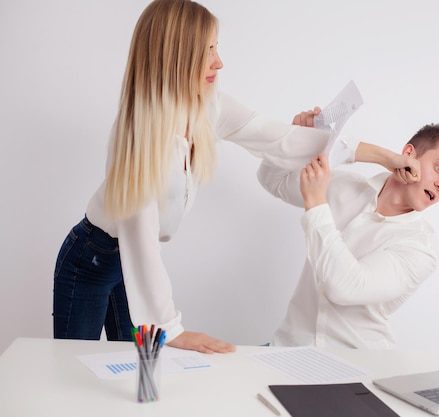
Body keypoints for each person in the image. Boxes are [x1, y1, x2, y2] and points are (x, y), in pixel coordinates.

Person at [52, 0, 414, 354]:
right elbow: (141, 240)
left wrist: (384, 157)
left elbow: (283, 140)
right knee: (71, 368)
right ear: (175, 56)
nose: (219, 62)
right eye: (206, 50)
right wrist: (173, 330)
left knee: (141, 375)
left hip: (126, 259)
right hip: (91, 258)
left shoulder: (210, 106)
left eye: (216, 47)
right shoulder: (140, 139)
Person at [257, 121, 439, 349]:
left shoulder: (422, 247)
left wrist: (316, 203)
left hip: (353, 366)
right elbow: (274, 180)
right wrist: (297, 140)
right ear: (409, 154)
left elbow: (346, 287)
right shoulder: (343, 185)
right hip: (287, 349)